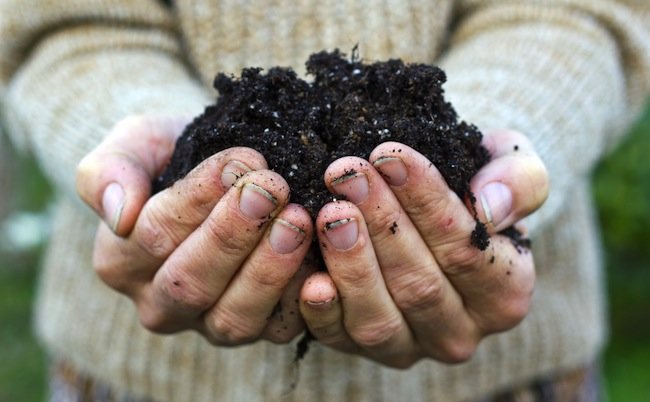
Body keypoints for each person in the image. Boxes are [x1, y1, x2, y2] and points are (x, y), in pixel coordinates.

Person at [1, 1, 648, 401]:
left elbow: (581, 9)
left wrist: (487, 156)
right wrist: (149, 169)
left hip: (513, 382)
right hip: (137, 381)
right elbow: (60, 20)